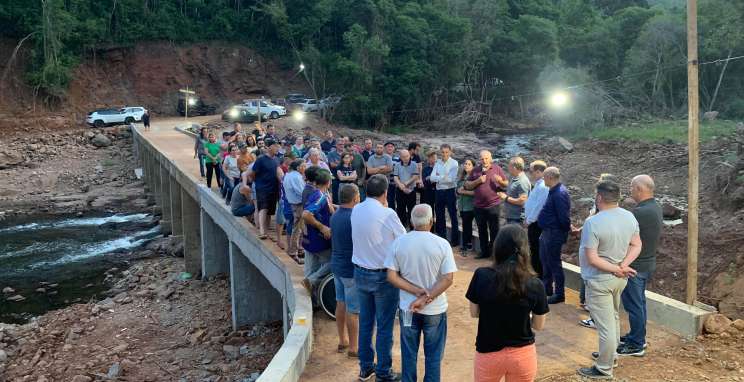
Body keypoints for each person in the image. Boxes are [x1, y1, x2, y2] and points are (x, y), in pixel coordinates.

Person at [466, 225, 549, 382]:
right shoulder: (535, 284)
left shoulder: (481, 275)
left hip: (488, 352)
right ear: (525, 249)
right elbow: (538, 325)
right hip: (522, 354)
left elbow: (474, 313)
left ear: (497, 247)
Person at [577, 180, 642, 379]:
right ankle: (611, 355)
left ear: (599, 198)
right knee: (612, 317)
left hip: (599, 280)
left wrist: (617, 268)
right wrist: (622, 266)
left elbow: (592, 258)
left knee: (605, 325)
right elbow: (637, 245)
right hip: (618, 279)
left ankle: (604, 368)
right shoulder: (629, 216)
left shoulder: (593, 222)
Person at [386, 204, 457, 382]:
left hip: (408, 308)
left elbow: (392, 277)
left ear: (411, 221)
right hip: (435, 309)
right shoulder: (442, 244)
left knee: (409, 354)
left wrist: (416, 293)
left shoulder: (399, 242)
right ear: (432, 221)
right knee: (433, 356)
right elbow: (448, 279)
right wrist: (426, 298)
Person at [351, 174, 407, 381]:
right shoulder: (388, 213)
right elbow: (403, 240)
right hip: (382, 276)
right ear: (385, 193)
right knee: (384, 326)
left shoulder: (356, 209)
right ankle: (383, 372)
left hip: (360, 271)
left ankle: (366, 367)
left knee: (366, 322)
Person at [617, 175, 662, 356]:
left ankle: (636, 344)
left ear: (639, 189)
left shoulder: (640, 213)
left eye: (631, 187)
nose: (630, 190)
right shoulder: (655, 207)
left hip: (635, 266)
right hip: (646, 263)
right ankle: (636, 336)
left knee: (634, 305)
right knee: (640, 303)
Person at [330, 183, 361, 358]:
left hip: (337, 265)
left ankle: (343, 340)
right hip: (350, 269)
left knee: (340, 302)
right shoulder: (353, 217)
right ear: (355, 198)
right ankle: (354, 347)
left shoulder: (335, 216)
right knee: (354, 310)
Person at [465, 150, 508, 259]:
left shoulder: (497, 168)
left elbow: (506, 184)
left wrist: (501, 181)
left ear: (491, 158)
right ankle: (484, 252)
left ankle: (494, 254)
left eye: (486, 158)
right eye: (482, 159)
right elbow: (467, 186)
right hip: (479, 206)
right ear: (480, 159)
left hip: (494, 205)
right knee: (481, 230)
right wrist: (478, 181)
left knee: (494, 231)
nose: (484, 161)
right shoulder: (475, 170)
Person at [537, 167, 571, 304]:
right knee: (546, 261)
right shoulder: (554, 191)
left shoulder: (559, 194)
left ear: (550, 177)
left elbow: (564, 217)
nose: (543, 179)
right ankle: (547, 289)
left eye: (544, 177)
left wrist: (563, 232)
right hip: (548, 232)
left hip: (553, 233)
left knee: (554, 263)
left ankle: (559, 293)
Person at [301, 169, 335, 292]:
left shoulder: (318, 193)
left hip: (309, 238)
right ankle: (312, 280)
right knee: (334, 262)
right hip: (318, 239)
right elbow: (306, 214)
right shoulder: (319, 196)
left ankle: (310, 297)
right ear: (328, 182)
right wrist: (322, 227)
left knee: (310, 270)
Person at [250, 139, 283, 240]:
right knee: (263, 208)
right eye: (275, 146)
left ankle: (266, 232)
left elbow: (279, 173)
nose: (277, 148)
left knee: (270, 211)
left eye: (278, 145)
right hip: (262, 188)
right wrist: (258, 183)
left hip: (274, 188)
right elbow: (252, 174)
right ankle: (261, 232)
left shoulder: (277, 159)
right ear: (268, 147)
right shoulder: (260, 159)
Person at [430, 144, 459, 247]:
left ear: (450, 152)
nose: (445, 154)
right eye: (443, 152)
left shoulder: (454, 163)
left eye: (447, 152)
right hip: (439, 192)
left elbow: (451, 179)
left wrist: (438, 177)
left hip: (450, 191)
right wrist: (443, 177)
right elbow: (432, 178)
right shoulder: (437, 162)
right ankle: (442, 239)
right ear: (440, 152)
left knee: (453, 215)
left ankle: (455, 241)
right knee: (440, 215)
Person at [523, 160, 549, 278]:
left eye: (531, 171)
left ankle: (539, 276)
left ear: (539, 172)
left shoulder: (543, 187)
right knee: (534, 249)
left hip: (536, 224)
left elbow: (539, 207)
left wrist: (529, 220)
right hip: (533, 223)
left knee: (537, 250)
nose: (530, 173)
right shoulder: (539, 185)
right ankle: (535, 274)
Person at [282, 159, 306, 263]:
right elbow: (301, 192)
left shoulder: (288, 175)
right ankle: (293, 252)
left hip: (294, 203)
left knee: (299, 228)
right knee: (298, 229)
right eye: (303, 166)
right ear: (298, 167)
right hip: (298, 204)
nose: (305, 168)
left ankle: (299, 249)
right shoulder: (296, 176)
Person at [498, 157, 531, 225]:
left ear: (514, 167)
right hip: (511, 216)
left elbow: (522, 202)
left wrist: (506, 198)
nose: (508, 167)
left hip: (517, 218)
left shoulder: (522, 181)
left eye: (509, 165)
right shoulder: (514, 177)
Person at [393, 149, 420, 229]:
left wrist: (405, 183)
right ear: (400, 157)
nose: (406, 158)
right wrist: (401, 186)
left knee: (412, 209)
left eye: (407, 156)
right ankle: (401, 228)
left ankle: (412, 228)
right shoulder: (397, 165)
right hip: (400, 190)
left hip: (411, 190)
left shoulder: (414, 164)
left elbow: (415, 176)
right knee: (400, 210)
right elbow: (395, 177)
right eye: (404, 157)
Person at [457, 159, 476, 256]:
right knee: (465, 225)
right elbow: (457, 190)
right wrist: (459, 191)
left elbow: (476, 193)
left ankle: (466, 245)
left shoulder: (475, 178)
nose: (466, 165)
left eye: (469, 164)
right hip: (462, 206)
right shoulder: (462, 177)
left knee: (468, 225)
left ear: (473, 166)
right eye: (465, 164)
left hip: (471, 206)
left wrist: (463, 192)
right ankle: (466, 244)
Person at [384, 142, 400, 209]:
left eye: (391, 146)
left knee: (397, 200)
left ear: (394, 148)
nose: (390, 148)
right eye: (388, 146)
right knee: (388, 201)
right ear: (385, 148)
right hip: (386, 183)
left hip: (396, 183)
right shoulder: (382, 158)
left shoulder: (398, 158)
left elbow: (400, 169)